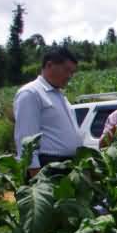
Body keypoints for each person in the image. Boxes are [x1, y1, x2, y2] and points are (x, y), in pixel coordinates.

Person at [13, 46, 82, 177]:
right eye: (66, 70)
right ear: (49, 65)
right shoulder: (31, 93)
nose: (69, 76)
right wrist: (36, 177)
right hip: (47, 167)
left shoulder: (59, 95)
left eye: (72, 72)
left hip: (66, 166)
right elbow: (25, 139)